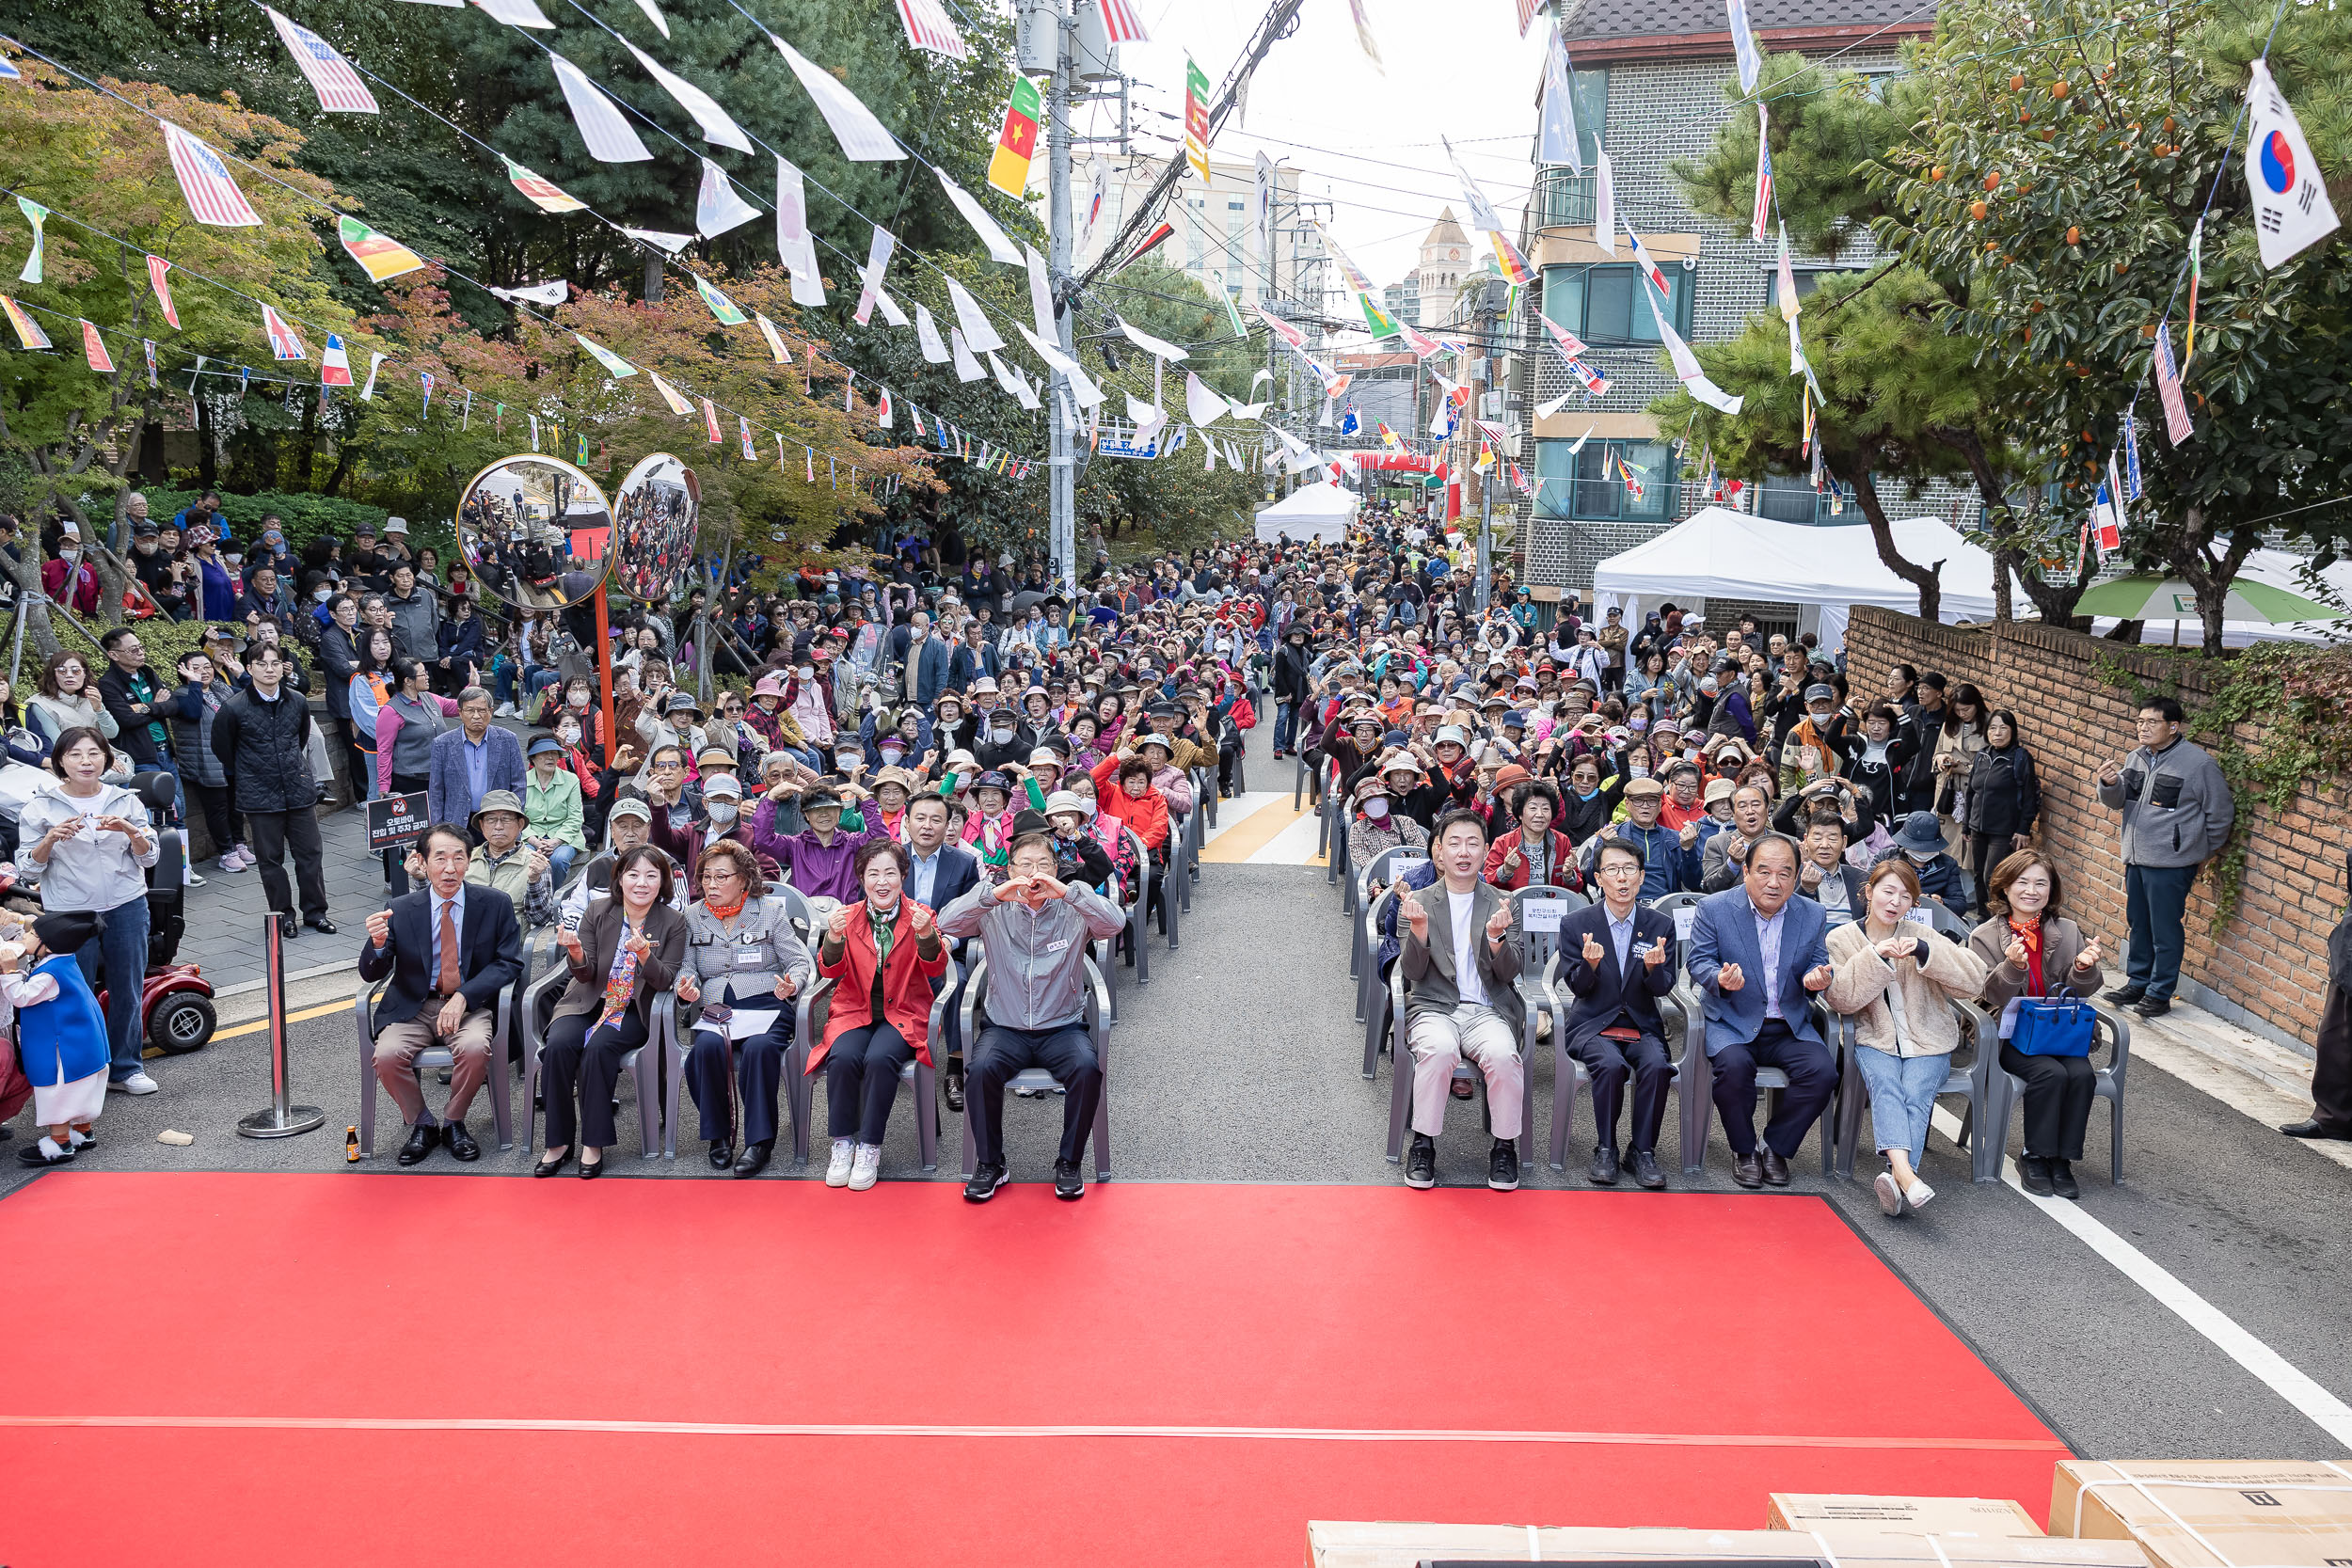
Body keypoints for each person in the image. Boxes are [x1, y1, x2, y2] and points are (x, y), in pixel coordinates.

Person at [938, 828, 1129, 1201]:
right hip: (1004, 1027)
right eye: (1025, 865)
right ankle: (991, 1164)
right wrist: (991, 896)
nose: (1034, 872)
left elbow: (1114, 924)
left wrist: (1069, 892)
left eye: (1043, 864)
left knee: (1087, 1070)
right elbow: (946, 923)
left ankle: (1069, 1162)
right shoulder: (994, 909)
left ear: (1056, 870)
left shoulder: (1074, 905)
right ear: (1010, 871)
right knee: (978, 1071)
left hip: (1063, 1026)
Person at [1825, 859, 1991, 1217]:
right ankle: (1905, 1175)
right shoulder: (1841, 938)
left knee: (1915, 1091)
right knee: (1887, 1085)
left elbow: (1975, 980)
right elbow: (1841, 998)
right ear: (1869, 892)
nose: (1895, 901)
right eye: (1888, 891)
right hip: (1874, 1038)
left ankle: (1899, 1176)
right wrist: (1876, 956)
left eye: (1906, 896)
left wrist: (1925, 951)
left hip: (1929, 1040)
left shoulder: (1923, 934)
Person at [358, 823, 525, 1164]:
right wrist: (376, 945)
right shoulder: (402, 908)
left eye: (458, 858)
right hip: (414, 1007)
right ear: (422, 861)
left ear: (469, 861)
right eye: (440, 858)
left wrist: (464, 995)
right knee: (387, 1055)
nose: (450, 868)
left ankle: (453, 1121)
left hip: (470, 1006)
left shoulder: (494, 904)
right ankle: (422, 1123)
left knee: (476, 1047)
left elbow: (509, 962)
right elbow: (372, 972)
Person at [1687, 832, 1837, 1188]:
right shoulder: (1715, 908)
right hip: (1733, 1019)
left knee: (1823, 1073)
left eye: (1785, 873)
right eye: (1764, 872)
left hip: (1788, 1024)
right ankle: (1744, 1150)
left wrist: (1817, 979)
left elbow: (1818, 963)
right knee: (1734, 1070)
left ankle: (1775, 1147)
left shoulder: (1812, 912)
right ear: (1745, 873)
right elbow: (1698, 960)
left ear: (1798, 876)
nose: (1774, 882)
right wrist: (1719, 979)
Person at [17, 730, 162, 1096]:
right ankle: (82, 1073)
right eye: (76, 754)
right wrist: (49, 840)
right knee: (72, 992)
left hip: (126, 903)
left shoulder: (125, 800)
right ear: (61, 761)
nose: (86, 761)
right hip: (69, 911)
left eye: (94, 753)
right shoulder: (41, 807)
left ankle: (126, 1068)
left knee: (127, 988)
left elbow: (150, 857)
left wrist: (132, 831)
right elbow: (28, 870)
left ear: (106, 760)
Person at [539, 845, 688, 1177]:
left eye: (652, 875)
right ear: (620, 879)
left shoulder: (673, 921)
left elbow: (665, 980)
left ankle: (593, 1144)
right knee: (559, 1046)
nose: (642, 883)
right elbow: (585, 973)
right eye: (633, 874)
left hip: (633, 1008)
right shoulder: (598, 910)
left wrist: (645, 956)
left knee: (598, 1048)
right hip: (588, 999)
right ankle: (558, 1142)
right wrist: (576, 952)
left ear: (662, 881)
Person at [1396, 808, 1525, 1194]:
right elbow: (1413, 973)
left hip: (1487, 1008)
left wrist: (1497, 940)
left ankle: (1504, 1147)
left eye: (1473, 843)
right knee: (1437, 1050)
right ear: (1439, 851)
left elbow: (1509, 972)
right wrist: (1419, 932)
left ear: (1486, 851)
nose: (1463, 851)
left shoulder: (1503, 902)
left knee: (1504, 1055)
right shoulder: (1418, 900)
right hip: (1434, 1006)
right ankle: (1423, 1144)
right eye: (1454, 843)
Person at [1968, 847, 2107, 1198]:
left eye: (2041, 883)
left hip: (2058, 1031)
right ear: (2005, 888)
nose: (2032, 890)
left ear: (2051, 890)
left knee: (2081, 1073)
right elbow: (1990, 996)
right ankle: (2034, 1155)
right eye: (2023, 882)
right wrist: (2013, 966)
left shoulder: (2067, 929)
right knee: (2050, 1073)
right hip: (2009, 1034)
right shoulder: (1984, 935)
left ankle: (2062, 1160)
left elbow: (2080, 992)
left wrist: (2084, 968)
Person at [810, 838, 948, 1191]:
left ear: (904, 876)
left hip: (903, 1011)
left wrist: (926, 934)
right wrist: (834, 937)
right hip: (856, 1009)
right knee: (842, 1057)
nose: (882, 881)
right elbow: (828, 970)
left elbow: (936, 968)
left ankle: (870, 1145)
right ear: (862, 878)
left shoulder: (921, 914)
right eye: (873, 873)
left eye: (890, 872)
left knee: (880, 1058)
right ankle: (842, 1143)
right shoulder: (848, 915)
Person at [675, 838, 812, 1178]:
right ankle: (718, 1135)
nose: (712, 884)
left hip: (767, 1002)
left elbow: (798, 961)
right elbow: (687, 965)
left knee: (760, 1049)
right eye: (707, 877)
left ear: (744, 880)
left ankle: (759, 1141)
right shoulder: (692, 916)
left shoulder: (769, 911)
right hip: (718, 1007)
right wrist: (685, 986)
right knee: (703, 1051)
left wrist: (792, 985)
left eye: (722, 877)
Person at [2095, 696, 2232, 1018]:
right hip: (2136, 858)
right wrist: (2108, 783)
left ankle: (2160, 993)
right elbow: (2118, 802)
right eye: (2140, 721)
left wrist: (2197, 851)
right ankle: (2138, 982)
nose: (2143, 727)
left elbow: (2221, 815)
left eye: (2151, 722)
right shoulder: (2136, 757)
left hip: (2171, 864)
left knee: (2165, 929)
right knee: (2139, 924)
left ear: (2173, 726)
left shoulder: (2199, 764)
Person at [1555, 839, 1677, 1188]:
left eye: (1629, 870)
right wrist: (1590, 965)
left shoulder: (1660, 926)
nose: (1621, 878)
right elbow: (1578, 988)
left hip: (1641, 1023)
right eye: (1612, 870)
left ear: (1640, 878)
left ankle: (1642, 1151)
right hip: (1593, 1023)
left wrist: (1654, 970)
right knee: (1610, 1066)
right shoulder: (1576, 923)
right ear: (1598, 877)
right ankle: (1606, 1147)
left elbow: (1663, 988)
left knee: (1657, 1066)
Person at [210, 642, 332, 939]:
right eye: (262, 664)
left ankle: (316, 913)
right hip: (259, 793)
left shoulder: (298, 701)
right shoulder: (234, 706)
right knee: (271, 860)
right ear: (249, 668)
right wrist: (252, 771)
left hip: (297, 787)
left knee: (310, 855)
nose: (269, 669)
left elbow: (301, 737)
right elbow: (222, 748)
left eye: (275, 663)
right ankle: (282, 916)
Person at [3, 911, 113, 1166]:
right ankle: (84, 1131)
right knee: (82, 1090)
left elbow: (21, 996)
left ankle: (60, 1143)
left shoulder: (49, 974)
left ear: (47, 945)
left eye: (32, 935)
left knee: (58, 1092)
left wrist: (9, 971)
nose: (26, 936)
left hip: (61, 1049)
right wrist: (21, 920)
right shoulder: (64, 962)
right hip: (81, 1044)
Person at [168, 649, 247, 874]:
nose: (203, 672)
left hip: (229, 758)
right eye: (196, 668)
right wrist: (194, 684)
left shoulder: (220, 688)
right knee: (218, 808)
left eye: (206, 667)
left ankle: (239, 844)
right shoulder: (181, 695)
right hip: (205, 761)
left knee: (235, 805)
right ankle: (226, 852)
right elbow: (193, 713)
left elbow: (251, 700)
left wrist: (242, 676)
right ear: (183, 671)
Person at [1962, 709, 2040, 898]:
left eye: (2003, 728)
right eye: (1993, 728)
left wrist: (2023, 828)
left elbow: (2031, 796)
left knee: (1993, 877)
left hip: (2003, 831)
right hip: (1978, 828)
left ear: (2012, 731)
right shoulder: (1982, 756)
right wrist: (1966, 825)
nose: (1997, 733)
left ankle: (1998, 919)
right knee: (1979, 875)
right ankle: (1982, 919)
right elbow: (1971, 792)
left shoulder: (2020, 758)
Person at [426, 687, 526, 832]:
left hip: (498, 823)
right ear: (460, 713)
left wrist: (514, 818)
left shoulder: (508, 739)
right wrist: (437, 828)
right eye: (470, 710)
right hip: (456, 823)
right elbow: (436, 790)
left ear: (490, 712)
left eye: (481, 710)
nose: (476, 716)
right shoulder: (442, 744)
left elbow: (519, 783)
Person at [465, 790, 558, 928]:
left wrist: (534, 881)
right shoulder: (466, 858)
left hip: (509, 944)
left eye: (506, 819)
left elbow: (541, 919)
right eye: (491, 819)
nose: (498, 826)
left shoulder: (535, 863)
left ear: (520, 825)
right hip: (467, 939)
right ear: (482, 825)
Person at [95, 627, 175, 777]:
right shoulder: (107, 684)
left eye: (141, 647)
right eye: (133, 650)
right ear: (114, 655)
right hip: (140, 757)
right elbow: (126, 719)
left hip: (166, 750)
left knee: (179, 800)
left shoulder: (148, 673)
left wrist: (142, 708)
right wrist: (157, 706)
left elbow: (173, 705)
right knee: (158, 799)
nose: (140, 652)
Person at [521, 735, 585, 885]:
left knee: (558, 860)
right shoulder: (522, 781)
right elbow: (518, 818)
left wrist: (556, 841)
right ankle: (530, 897)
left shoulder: (571, 780)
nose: (550, 757)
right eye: (544, 753)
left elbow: (575, 818)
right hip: (532, 835)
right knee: (527, 857)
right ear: (533, 758)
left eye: (554, 753)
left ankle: (553, 899)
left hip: (564, 836)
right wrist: (534, 841)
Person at [26, 650, 119, 752]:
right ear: (53, 675)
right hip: (68, 757)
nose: (69, 675)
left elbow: (112, 733)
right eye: (62, 671)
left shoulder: (90, 697)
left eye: (76, 671)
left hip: (102, 752)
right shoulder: (40, 704)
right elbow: (58, 743)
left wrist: (99, 710)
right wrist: (100, 756)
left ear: (85, 674)